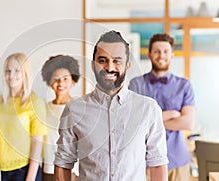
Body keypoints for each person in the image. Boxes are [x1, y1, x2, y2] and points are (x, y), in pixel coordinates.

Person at [54, 30, 168, 181]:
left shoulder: (148, 109)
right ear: (93, 65)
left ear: (127, 66)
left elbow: (157, 163)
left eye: (117, 61)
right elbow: (63, 162)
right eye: (102, 60)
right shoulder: (74, 109)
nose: (109, 67)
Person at [129, 33, 195, 181]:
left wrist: (152, 123)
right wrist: (171, 114)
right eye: (157, 51)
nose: (161, 55)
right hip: (144, 162)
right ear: (149, 55)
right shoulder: (136, 84)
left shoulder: (184, 85)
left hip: (178, 161)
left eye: (165, 51)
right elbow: (134, 123)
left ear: (172, 55)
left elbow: (187, 123)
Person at [0, 53, 47, 181]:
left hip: (24, 170)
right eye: (8, 71)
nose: (11, 75)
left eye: (17, 71)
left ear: (25, 73)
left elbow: (37, 144)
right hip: (0, 169)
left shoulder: (35, 103)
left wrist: (30, 178)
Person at [41, 55, 80, 181]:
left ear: (73, 81)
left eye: (65, 79)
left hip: (72, 171)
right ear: (49, 81)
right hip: (48, 169)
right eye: (56, 79)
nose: (60, 83)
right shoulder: (43, 109)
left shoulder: (79, 107)